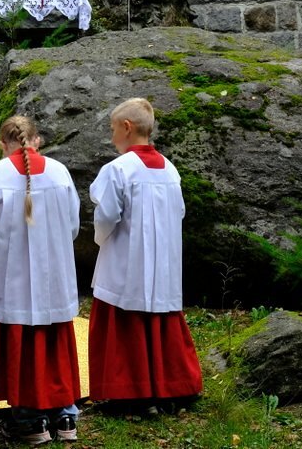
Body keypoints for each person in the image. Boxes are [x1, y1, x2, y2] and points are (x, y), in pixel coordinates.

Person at [0, 116, 81, 445]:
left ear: (3, 144)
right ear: (37, 140)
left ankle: (31, 421)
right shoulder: (60, 173)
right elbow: (72, 225)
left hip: (10, 278)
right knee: (53, 345)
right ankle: (65, 415)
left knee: (21, 347)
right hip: (54, 277)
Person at [88, 98, 203, 414]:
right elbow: (179, 212)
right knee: (162, 319)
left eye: (113, 129)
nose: (112, 136)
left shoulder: (118, 169)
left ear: (127, 127)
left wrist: (100, 240)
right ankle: (171, 388)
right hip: (163, 263)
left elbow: (107, 215)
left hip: (126, 259)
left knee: (124, 318)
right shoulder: (170, 169)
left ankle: (130, 392)